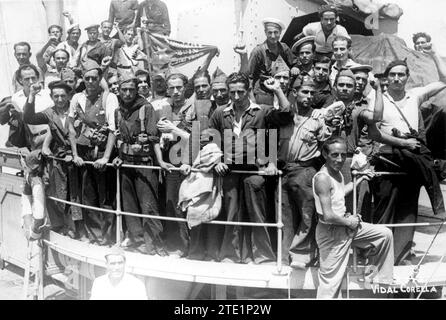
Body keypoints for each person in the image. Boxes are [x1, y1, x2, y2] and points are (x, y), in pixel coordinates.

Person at [369, 54, 446, 263]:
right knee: (384, 210)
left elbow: (444, 79)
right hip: (388, 158)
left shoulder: (415, 95)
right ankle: (379, 259)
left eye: (401, 75)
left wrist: (434, 51)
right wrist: (403, 143)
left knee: (407, 210)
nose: (396, 79)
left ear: (407, 77)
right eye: (392, 75)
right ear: (386, 78)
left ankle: (401, 256)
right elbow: (374, 133)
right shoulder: (377, 97)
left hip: (411, 161)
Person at [209, 72, 291, 264]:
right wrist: (216, 160)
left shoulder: (261, 111)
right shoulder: (220, 113)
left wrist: (277, 89)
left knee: (257, 214)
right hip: (230, 170)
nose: (236, 97)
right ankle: (231, 255)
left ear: (248, 91)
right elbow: (209, 139)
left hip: (255, 171)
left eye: (240, 92)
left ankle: (262, 257)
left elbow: (285, 114)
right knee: (231, 214)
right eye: (232, 92)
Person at [313, 136, 394, 299]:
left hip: (346, 227)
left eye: (343, 155)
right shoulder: (322, 178)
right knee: (330, 284)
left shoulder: (336, 173)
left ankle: (381, 285)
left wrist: (360, 178)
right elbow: (327, 215)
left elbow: (340, 192)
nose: (340, 159)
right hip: (331, 233)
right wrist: (349, 221)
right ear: (324, 154)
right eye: (335, 155)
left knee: (384, 235)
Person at [278, 75, 333, 268]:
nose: (309, 96)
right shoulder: (284, 115)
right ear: (294, 93)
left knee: (307, 214)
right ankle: (285, 258)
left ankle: (302, 256)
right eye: (304, 92)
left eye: (312, 93)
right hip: (283, 171)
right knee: (286, 217)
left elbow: (327, 143)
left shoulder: (318, 118)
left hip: (305, 170)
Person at [112, 76, 169, 255]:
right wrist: (118, 156)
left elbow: (154, 139)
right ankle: (137, 242)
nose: (127, 93)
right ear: (119, 91)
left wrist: (159, 161)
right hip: (126, 164)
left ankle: (155, 245)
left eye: (131, 90)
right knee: (129, 205)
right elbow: (119, 137)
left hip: (144, 163)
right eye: (124, 90)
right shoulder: (118, 111)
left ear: (136, 90)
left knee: (148, 205)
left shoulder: (146, 108)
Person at [23, 80, 83, 239]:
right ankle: (61, 227)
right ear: (51, 97)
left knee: (77, 195)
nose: (60, 99)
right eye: (56, 96)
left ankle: (77, 229)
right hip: (59, 161)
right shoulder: (50, 113)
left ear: (69, 95)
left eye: (63, 96)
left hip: (79, 159)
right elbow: (29, 117)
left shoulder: (76, 109)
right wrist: (32, 95)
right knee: (58, 193)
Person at [69, 61, 120, 243]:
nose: (90, 81)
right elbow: (71, 128)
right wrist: (75, 154)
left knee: (105, 196)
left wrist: (106, 157)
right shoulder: (77, 98)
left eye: (94, 78)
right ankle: (94, 235)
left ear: (100, 79)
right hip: (84, 152)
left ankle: (107, 238)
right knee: (88, 195)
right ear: (83, 79)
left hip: (102, 152)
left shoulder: (109, 98)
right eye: (87, 78)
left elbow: (113, 129)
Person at [248, 17, 298, 105]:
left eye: (276, 32)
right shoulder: (258, 51)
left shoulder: (284, 48)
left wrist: (295, 68)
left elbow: (294, 62)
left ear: (280, 33)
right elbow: (249, 76)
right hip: (263, 93)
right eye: (270, 33)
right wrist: (252, 99)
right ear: (265, 33)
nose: (273, 36)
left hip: (281, 91)